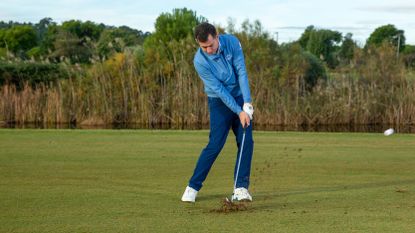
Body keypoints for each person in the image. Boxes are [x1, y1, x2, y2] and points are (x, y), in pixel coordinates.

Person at [181, 22, 254, 203]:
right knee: (215, 144)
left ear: (217, 37)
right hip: (219, 101)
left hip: (239, 97)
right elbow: (220, 90)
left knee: (246, 140)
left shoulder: (232, 43)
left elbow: (241, 71)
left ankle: (240, 188)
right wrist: (239, 112)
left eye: (210, 45)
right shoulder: (199, 61)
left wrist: (247, 103)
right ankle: (192, 187)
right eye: (203, 46)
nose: (208, 50)